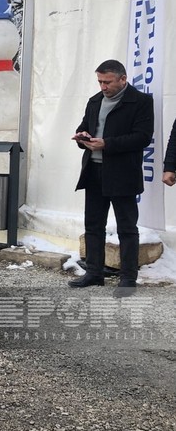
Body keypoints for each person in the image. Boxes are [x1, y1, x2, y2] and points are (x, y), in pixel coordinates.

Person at [69, 60, 153, 297]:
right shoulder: (94, 101)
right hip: (94, 171)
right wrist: (82, 136)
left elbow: (142, 138)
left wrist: (107, 144)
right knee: (93, 226)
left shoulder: (141, 102)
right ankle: (94, 273)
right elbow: (85, 126)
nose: (103, 86)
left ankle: (128, 279)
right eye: (100, 82)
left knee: (127, 228)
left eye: (107, 82)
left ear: (123, 79)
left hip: (123, 174)